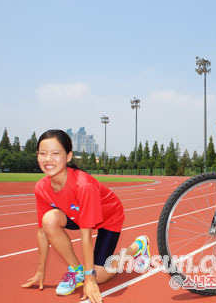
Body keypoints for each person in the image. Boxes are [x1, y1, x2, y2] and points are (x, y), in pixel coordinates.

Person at [21, 129, 150, 302]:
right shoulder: (41, 188)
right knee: (48, 220)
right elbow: (42, 232)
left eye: (55, 153)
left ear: (68, 156)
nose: (48, 159)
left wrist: (90, 280)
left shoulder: (83, 186)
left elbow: (86, 235)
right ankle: (76, 271)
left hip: (108, 216)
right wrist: (40, 272)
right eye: (43, 154)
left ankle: (136, 247)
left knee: (100, 276)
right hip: (76, 215)